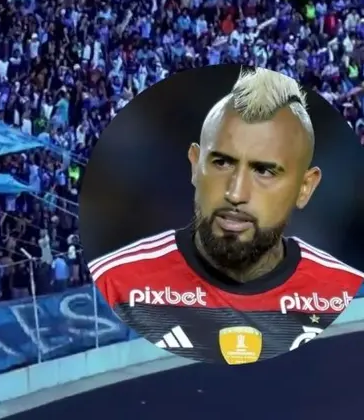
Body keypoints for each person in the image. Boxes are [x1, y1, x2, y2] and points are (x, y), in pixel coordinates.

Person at [90, 68, 364, 365]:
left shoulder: (340, 287)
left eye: (264, 171)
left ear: (305, 187)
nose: (236, 193)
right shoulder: (116, 282)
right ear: (195, 165)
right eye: (222, 162)